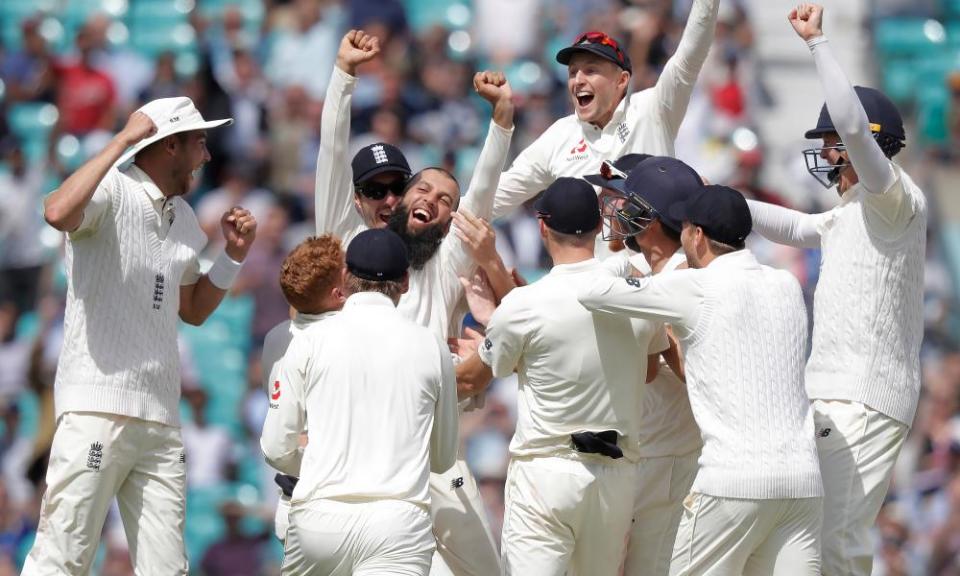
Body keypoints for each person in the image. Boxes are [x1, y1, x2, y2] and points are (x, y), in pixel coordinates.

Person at [24, 97, 254, 575]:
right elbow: (56, 211)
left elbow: (191, 310)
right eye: (199, 142)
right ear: (169, 146)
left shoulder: (186, 220)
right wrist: (125, 139)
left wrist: (232, 256)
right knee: (62, 558)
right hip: (96, 410)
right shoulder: (109, 189)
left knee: (168, 569)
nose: (207, 155)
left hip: (160, 419)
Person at [314, 29, 514, 576]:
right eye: (422, 191)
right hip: (366, 456)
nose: (426, 200)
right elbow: (332, 157)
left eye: (441, 200)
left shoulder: (444, 265)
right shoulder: (346, 243)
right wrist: (343, 76)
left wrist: (501, 124)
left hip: (435, 455)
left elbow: (482, 194)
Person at [744, 5, 927, 574]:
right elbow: (797, 228)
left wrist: (819, 43)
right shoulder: (848, 214)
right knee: (809, 537)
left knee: (838, 540)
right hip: (833, 393)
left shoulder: (894, 201)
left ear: (867, 144)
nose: (826, 153)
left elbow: (851, 125)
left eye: (832, 141)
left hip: (866, 397)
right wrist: (715, 200)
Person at [578, 186, 823, 574]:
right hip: (802, 484)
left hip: (732, 482)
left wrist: (625, 261)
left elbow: (591, 292)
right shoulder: (786, 284)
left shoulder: (695, 287)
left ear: (696, 235)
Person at [458, 177, 668, 575]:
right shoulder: (637, 295)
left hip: (546, 473)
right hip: (615, 477)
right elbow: (648, 371)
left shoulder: (523, 305)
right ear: (597, 228)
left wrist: (489, 333)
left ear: (542, 227)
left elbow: (470, 381)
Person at [261, 228, 459, 576]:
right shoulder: (431, 345)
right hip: (398, 523)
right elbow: (442, 459)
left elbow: (276, 449)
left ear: (347, 277)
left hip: (320, 521)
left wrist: (326, 464)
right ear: (406, 283)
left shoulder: (308, 341)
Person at [491, 0, 720, 221]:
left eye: (591, 71)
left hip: (660, 259)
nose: (577, 80)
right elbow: (491, 200)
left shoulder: (653, 108)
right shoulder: (559, 135)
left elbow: (691, 54)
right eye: (573, 72)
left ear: (621, 80)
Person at [592, 156, 704, 576]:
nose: (614, 211)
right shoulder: (660, 273)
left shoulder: (678, 278)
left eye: (625, 202)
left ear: (650, 219)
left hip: (669, 461)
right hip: (653, 456)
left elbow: (663, 369)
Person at [259, 235, 346, 553]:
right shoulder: (351, 337)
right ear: (338, 292)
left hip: (293, 502)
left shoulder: (274, 338)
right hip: (339, 503)